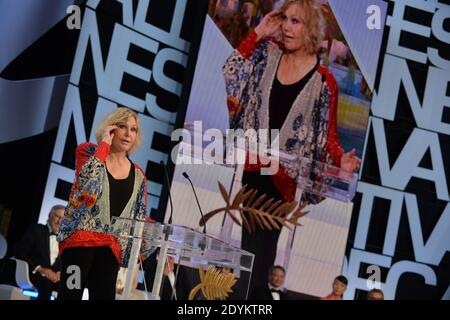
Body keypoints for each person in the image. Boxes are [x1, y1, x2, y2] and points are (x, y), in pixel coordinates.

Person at [223, 0, 360, 292]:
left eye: (295, 21)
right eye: (284, 18)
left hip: (284, 181)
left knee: (261, 259)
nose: (286, 26)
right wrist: (258, 32)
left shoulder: (324, 82)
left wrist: (340, 161)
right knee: (248, 253)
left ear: (311, 28)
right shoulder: (267, 55)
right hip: (253, 169)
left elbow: (328, 136)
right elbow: (231, 72)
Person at [57, 107, 150, 300]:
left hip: (110, 249)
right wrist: (104, 144)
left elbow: (138, 216)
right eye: (122, 126)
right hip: (79, 244)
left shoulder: (139, 175)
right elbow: (87, 183)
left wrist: (163, 235)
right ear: (111, 128)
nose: (127, 133)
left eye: (133, 129)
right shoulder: (88, 151)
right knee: (69, 296)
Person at [13, 205, 64, 300]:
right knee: (46, 282)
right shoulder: (36, 230)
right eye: (57, 216)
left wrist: (60, 273)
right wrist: (41, 269)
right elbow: (19, 251)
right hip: (35, 273)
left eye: (63, 219)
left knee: (74, 284)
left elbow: (63, 262)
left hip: (55, 277)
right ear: (49, 215)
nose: (59, 221)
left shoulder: (64, 240)